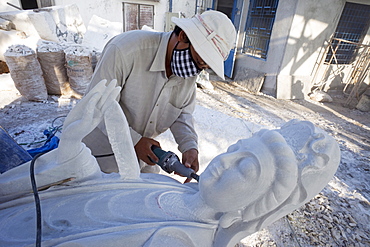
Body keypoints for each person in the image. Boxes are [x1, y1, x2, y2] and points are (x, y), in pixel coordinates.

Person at [0, 80, 340, 246]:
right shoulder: (168, 185)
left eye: (245, 168)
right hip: (26, 211)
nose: (225, 159)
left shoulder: (176, 241)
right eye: (236, 148)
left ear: (247, 209)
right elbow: (99, 192)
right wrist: (73, 148)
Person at [82, 10, 237, 182]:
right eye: (199, 61)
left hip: (143, 157)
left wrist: (190, 146)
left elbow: (181, 113)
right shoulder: (125, 50)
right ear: (184, 36)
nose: (196, 71)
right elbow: (98, 105)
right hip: (99, 157)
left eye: (204, 67)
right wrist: (134, 141)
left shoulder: (187, 72)